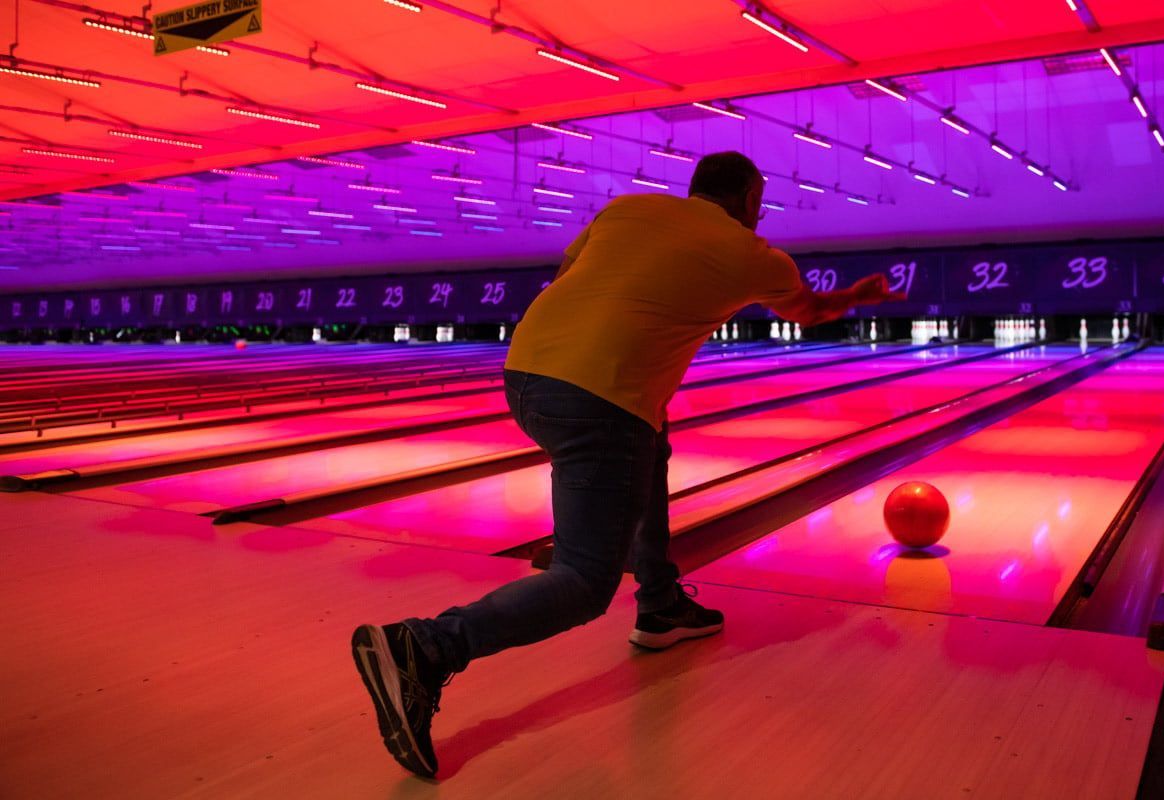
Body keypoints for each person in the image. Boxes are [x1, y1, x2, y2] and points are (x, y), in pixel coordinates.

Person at [351, 151, 905, 778]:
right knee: (585, 582)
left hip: (525, 373)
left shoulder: (626, 209)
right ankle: (424, 647)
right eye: (761, 198)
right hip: (600, 401)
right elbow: (809, 311)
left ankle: (661, 604)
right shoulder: (758, 256)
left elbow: (566, 275)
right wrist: (857, 295)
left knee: (652, 439)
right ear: (752, 199)